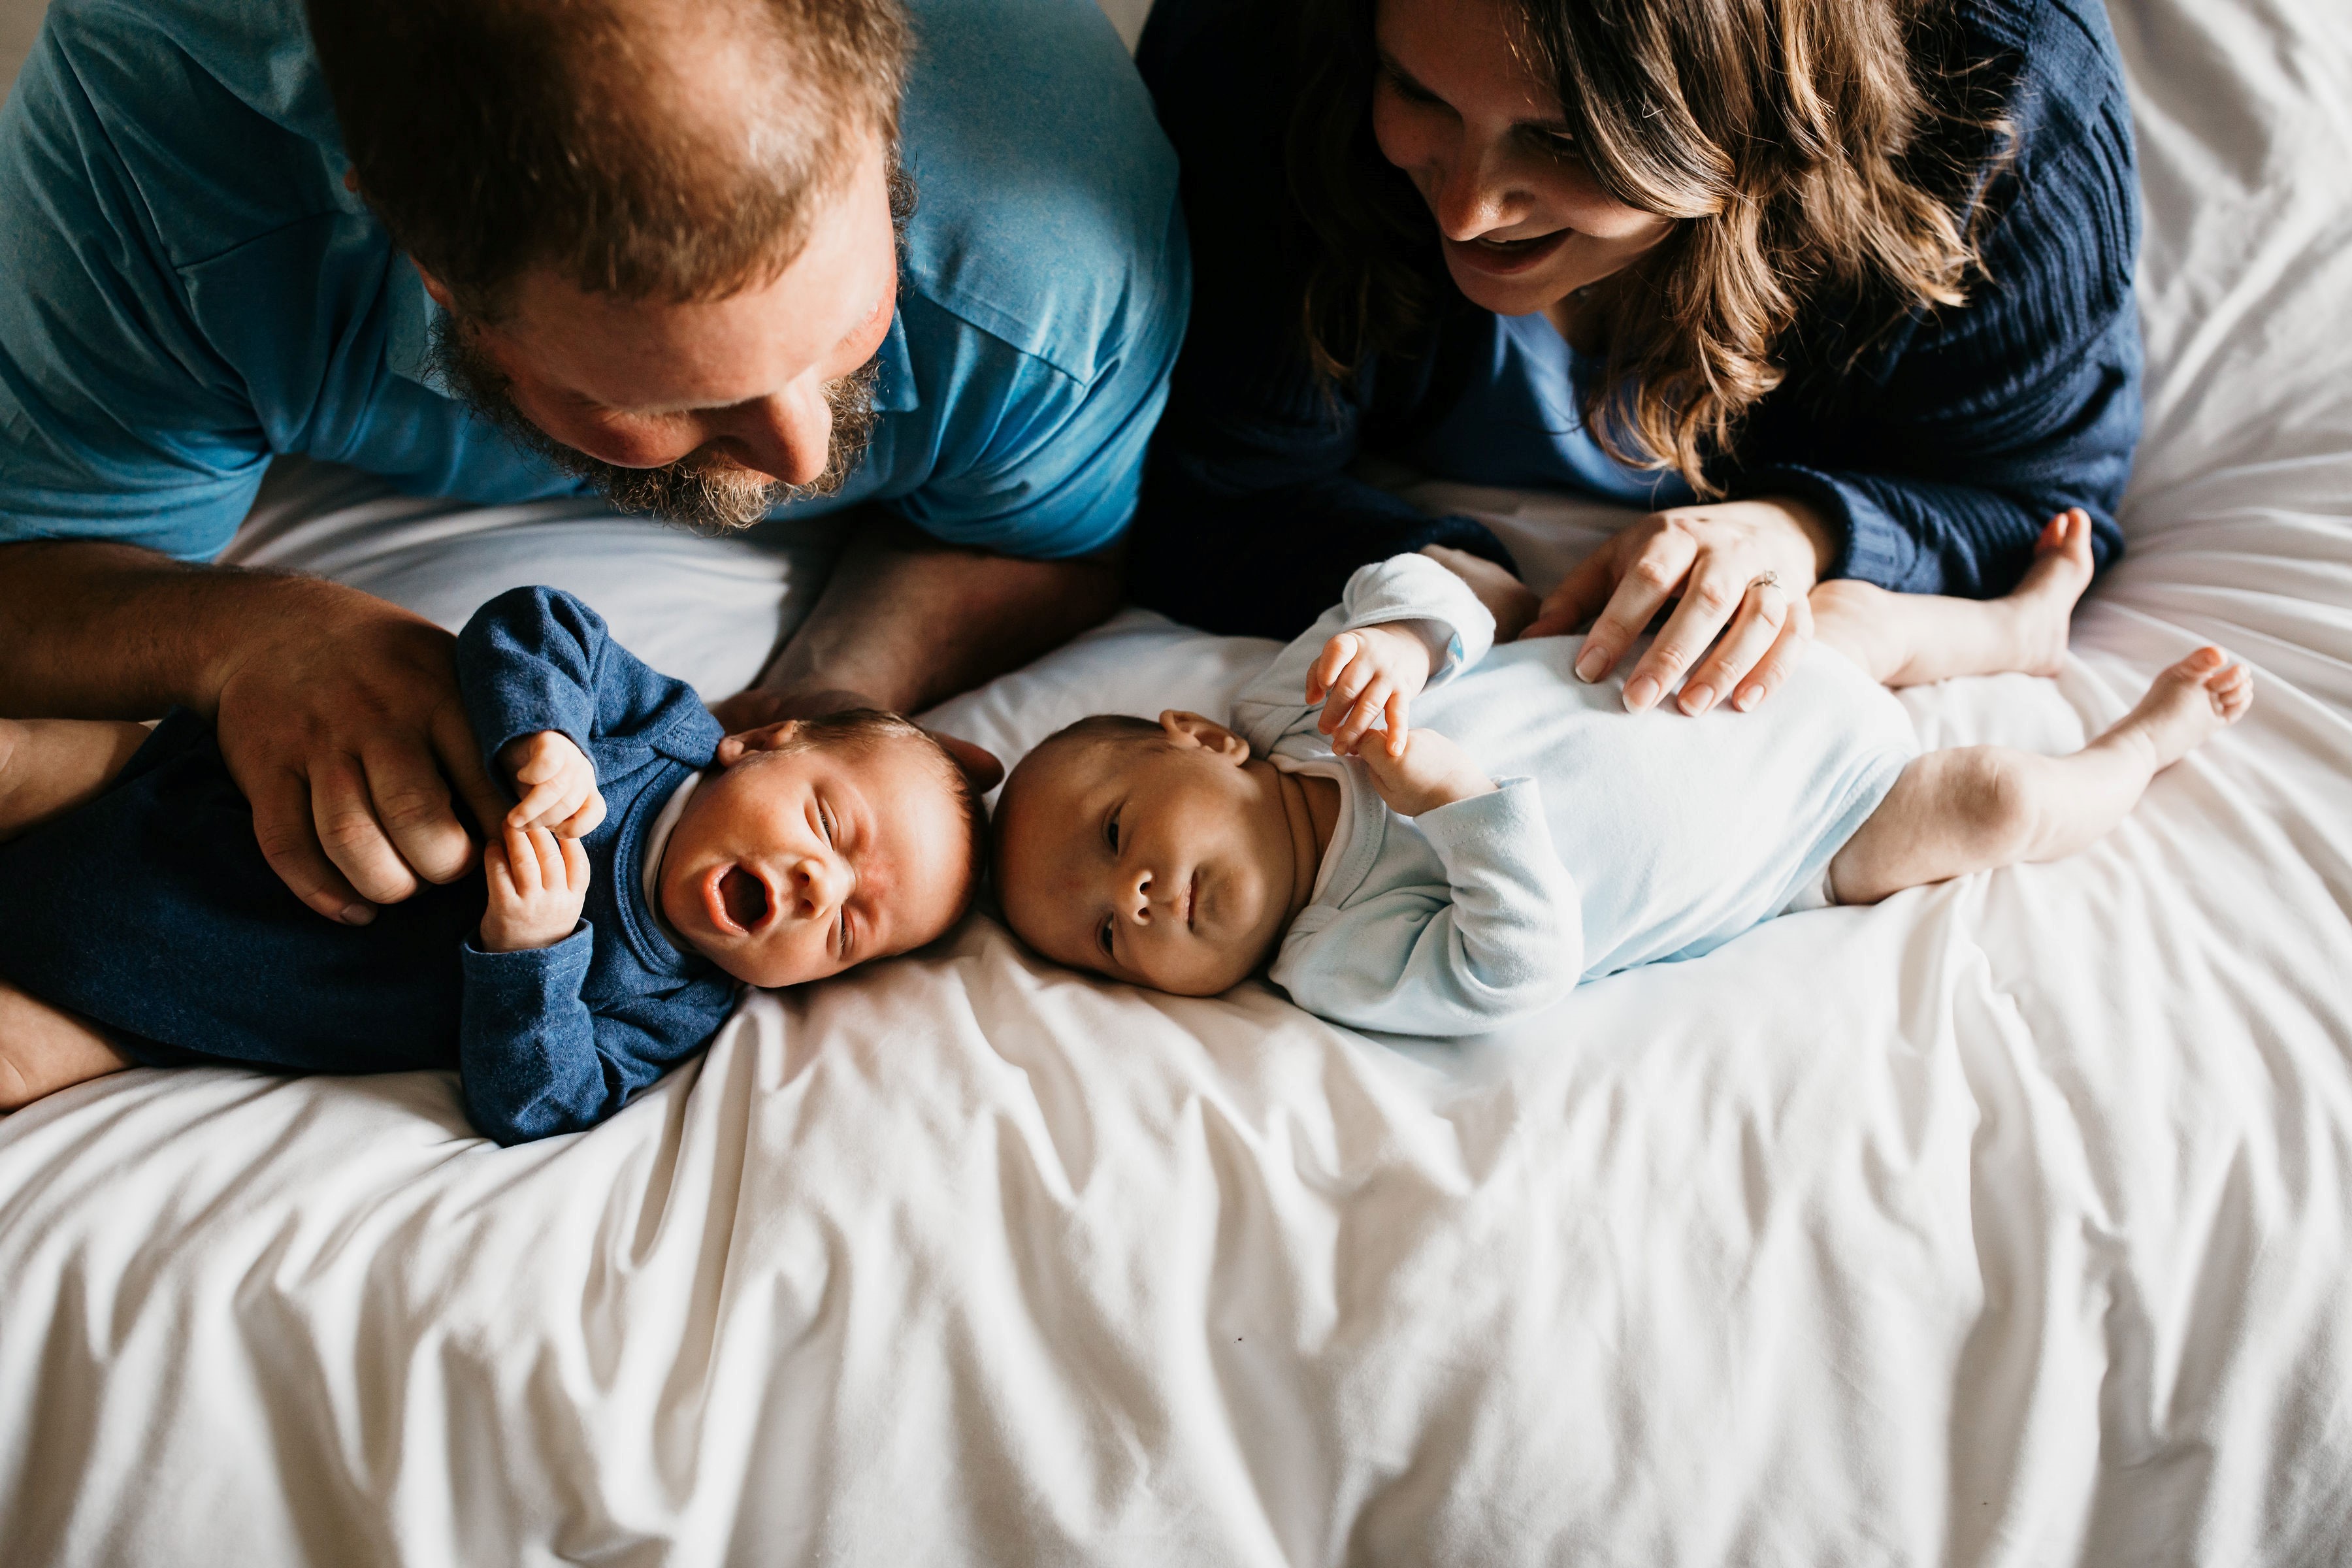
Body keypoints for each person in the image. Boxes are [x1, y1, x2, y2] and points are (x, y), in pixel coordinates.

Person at [0, 0, 1183, 927]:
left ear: (884, 121)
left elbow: (1047, 545)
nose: (801, 454)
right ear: (431, 267)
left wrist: (831, 687)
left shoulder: (1052, 271)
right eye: (669, 401)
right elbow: (30, 560)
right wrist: (247, 636)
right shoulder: (156, 150)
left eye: (843, 333)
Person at [1129, 0, 2141, 723]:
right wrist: (1453, 584)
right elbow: (1209, 489)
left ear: (1760, 122)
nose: (1468, 211)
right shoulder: (1265, 46)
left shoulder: (1997, 106)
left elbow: (2041, 510)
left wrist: (1800, 531)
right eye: (1417, 91)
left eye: (1567, 140)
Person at [991, 519, 2251, 1034]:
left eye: (1114, 837)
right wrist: (1438, 796)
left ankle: (2018, 629)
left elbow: (1434, 585)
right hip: (1809, 831)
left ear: (1197, 739)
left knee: (1857, 617)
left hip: (1723, 682)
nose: (1141, 900)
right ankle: (2139, 747)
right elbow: (1515, 967)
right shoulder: (1336, 959)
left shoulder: (1294, 709)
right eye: (1107, 937)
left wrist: (1392, 639)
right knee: (1999, 803)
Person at [0, 588, 987, 1142]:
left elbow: (543, 1102)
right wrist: (545, 736)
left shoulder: (673, 1003)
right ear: (762, 741)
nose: (821, 884)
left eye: (851, 929)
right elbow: (539, 623)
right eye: (828, 821)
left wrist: (531, 954)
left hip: (161, 1006)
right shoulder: (654, 731)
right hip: (182, 789)